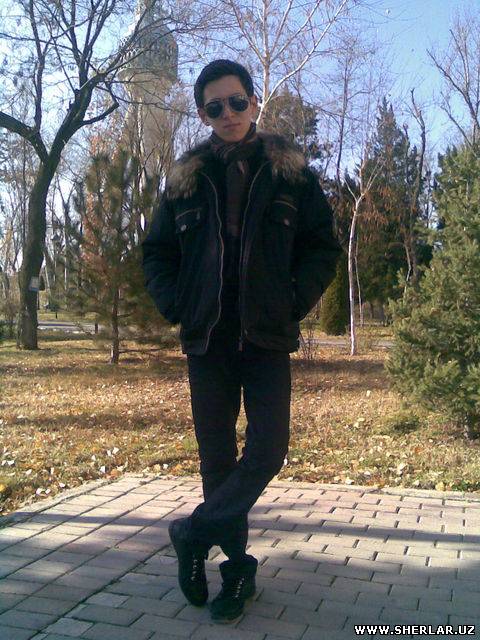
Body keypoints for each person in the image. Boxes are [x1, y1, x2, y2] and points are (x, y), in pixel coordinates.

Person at [141, 59, 343, 624]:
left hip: (266, 335)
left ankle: (193, 532)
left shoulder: (291, 174)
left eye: (236, 102)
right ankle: (236, 571)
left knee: (269, 449)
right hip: (207, 339)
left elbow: (322, 246)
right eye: (214, 107)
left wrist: (292, 299)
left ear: (254, 102)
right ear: (202, 113)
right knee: (217, 461)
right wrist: (176, 303)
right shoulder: (185, 178)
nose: (227, 114)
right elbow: (156, 253)